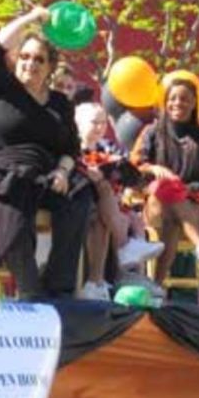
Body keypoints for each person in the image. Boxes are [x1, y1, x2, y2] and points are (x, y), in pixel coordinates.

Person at [0, 6, 92, 300]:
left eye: (39, 59)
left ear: (50, 67)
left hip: (46, 171)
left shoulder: (60, 103)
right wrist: (31, 20)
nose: (30, 64)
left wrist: (62, 171)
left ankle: (58, 287)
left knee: (80, 193)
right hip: (2, 166)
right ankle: (29, 287)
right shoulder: (1, 87)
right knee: (14, 184)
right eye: (24, 56)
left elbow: (70, 148)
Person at [131, 77, 199, 291]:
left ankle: (156, 286)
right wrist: (153, 169)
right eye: (172, 98)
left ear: (194, 103)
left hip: (196, 205)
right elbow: (134, 167)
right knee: (162, 189)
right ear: (165, 102)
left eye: (184, 99)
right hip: (155, 205)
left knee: (173, 217)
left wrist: (186, 190)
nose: (177, 103)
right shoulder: (152, 132)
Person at [75, 101, 162, 300]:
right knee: (113, 216)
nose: (99, 128)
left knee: (135, 219)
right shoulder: (74, 147)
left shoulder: (108, 146)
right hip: (85, 198)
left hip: (111, 202)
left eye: (103, 123)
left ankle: (135, 277)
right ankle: (125, 254)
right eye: (94, 123)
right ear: (79, 124)